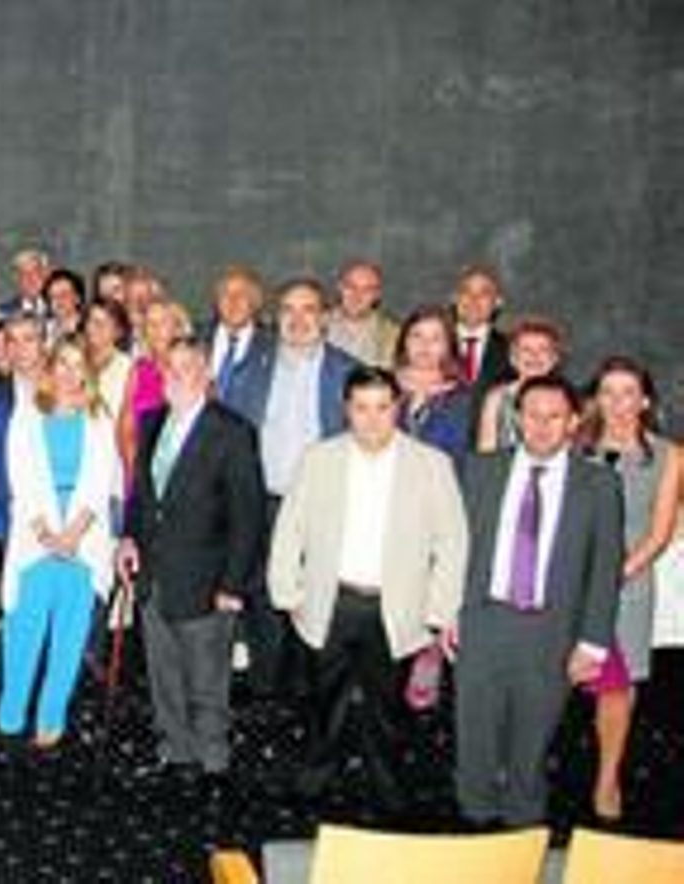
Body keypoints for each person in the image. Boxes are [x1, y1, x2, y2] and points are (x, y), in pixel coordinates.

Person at [268, 367, 468, 812]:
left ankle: (387, 787)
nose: (372, 418)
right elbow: (290, 529)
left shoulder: (431, 464)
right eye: (361, 408)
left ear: (397, 407)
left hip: (396, 607)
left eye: (382, 407)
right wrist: (288, 593)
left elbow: (452, 541)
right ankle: (316, 778)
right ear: (347, 409)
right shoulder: (319, 458)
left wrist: (438, 610)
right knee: (322, 700)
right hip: (330, 600)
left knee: (388, 708)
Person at [453, 375, 624, 827]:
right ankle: (474, 821)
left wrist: (593, 643)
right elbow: (454, 549)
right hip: (482, 621)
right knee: (475, 736)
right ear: (517, 418)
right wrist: (447, 613)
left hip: (552, 630)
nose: (542, 426)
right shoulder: (479, 471)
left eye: (554, 416)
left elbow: (605, 568)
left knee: (533, 739)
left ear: (573, 421)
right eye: (532, 415)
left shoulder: (600, 484)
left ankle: (523, 829)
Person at [117, 337, 264, 775]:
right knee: (163, 672)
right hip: (153, 573)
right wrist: (128, 538)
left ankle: (213, 757)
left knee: (206, 677)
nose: (177, 376)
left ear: (206, 375)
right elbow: (140, 495)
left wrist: (233, 585)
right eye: (170, 368)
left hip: (207, 579)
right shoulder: (150, 421)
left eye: (188, 368)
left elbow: (249, 516)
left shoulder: (232, 431)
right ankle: (175, 747)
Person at [225, 278, 359, 696]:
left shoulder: (348, 373)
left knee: (315, 591)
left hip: (322, 502)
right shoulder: (251, 369)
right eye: (288, 310)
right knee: (263, 590)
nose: (298, 319)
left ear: (324, 318)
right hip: (263, 498)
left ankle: (308, 685)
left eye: (308, 309)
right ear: (276, 317)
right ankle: (267, 686)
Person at [0, 335, 120, 749]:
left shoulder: (99, 418)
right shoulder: (27, 414)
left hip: (83, 540)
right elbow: (20, 479)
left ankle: (52, 715)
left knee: (69, 634)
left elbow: (100, 484)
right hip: (36, 537)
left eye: (77, 364)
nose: (69, 373)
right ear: (50, 368)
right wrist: (47, 534)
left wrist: (72, 535)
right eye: (62, 363)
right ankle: (12, 707)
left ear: (88, 372)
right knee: (23, 628)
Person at [579, 356, 682, 820]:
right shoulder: (574, 446)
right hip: (570, 580)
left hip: (628, 582)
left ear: (644, 401)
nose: (618, 403)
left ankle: (607, 779)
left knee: (616, 687)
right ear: (596, 399)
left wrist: (613, 576)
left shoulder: (668, 456)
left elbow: (660, 532)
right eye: (608, 392)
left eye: (628, 393)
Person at [0, 313, 48, 649]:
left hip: (57, 516)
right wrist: (14, 501)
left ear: (43, 343)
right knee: (15, 590)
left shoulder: (64, 390)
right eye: (12, 341)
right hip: (10, 510)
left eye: (29, 339)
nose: (20, 348)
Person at [117, 299, 194, 482]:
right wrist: (136, 474)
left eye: (163, 322)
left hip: (185, 475)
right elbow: (125, 431)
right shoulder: (139, 370)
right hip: (141, 475)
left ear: (177, 328)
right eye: (150, 324)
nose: (156, 329)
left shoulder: (195, 368)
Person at [393, 304, 473, 467]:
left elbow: (462, 459)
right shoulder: (380, 386)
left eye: (436, 338)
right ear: (403, 341)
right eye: (417, 336)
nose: (425, 345)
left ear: (448, 345)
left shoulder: (463, 398)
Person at [476, 317, 565, 453]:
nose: (534, 356)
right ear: (513, 358)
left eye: (543, 350)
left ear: (554, 358)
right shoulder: (496, 397)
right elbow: (486, 448)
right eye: (526, 349)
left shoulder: (565, 398)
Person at [205, 266, 271, 406]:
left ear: (256, 302)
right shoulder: (196, 342)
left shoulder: (271, 349)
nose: (233, 301)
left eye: (242, 294)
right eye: (225, 294)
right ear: (216, 302)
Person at [326, 260, 400, 368]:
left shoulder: (393, 335)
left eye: (367, 290)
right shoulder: (316, 325)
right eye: (351, 286)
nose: (357, 296)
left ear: (377, 294)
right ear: (339, 287)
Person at [453, 264, 511, 392]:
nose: (473, 299)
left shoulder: (510, 349)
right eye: (466, 291)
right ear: (455, 298)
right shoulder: (437, 343)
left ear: (498, 302)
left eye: (484, 293)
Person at [1, 248, 51, 318]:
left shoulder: (57, 306)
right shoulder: (4, 312)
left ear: (44, 274)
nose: (30, 279)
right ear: (16, 279)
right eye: (24, 274)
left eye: (35, 272)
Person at [43, 268, 87, 340]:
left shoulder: (89, 328)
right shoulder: (45, 332)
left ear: (77, 298)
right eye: (53, 296)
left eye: (64, 294)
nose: (59, 300)